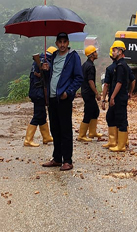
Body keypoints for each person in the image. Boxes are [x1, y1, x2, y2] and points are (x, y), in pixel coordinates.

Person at [39, 33, 83, 171]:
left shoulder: (73, 56)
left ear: (68, 42)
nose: (63, 44)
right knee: (55, 129)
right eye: (60, 42)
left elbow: (78, 78)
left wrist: (68, 92)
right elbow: (50, 77)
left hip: (63, 98)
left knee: (65, 130)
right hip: (52, 98)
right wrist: (45, 70)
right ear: (56, 43)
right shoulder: (53, 57)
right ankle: (57, 158)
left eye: (65, 42)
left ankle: (67, 160)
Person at [23, 47, 56, 147]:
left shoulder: (40, 61)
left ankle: (46, 137)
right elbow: (47, 69)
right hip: (39, 93)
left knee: (42, 115)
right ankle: (28, 140)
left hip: (37, 92)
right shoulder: (44, 61)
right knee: (37, 115)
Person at [107, 40, 136, 152]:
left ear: (120, 51)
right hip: (122, 96)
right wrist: (130, 92)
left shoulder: (120, 66)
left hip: (119, 97)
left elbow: (119, 83)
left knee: (121, 120)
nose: (113, 52)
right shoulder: (123, 65)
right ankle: (119, 142)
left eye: (114, 50)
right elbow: (133, 80)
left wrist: (112, 97)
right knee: (117, 118)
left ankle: (121, 146)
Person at [76, 45, 100, 142]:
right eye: (95, 52)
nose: (96, 53)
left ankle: (92, 132)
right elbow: (91, 81)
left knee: (95, 111)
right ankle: (81, 135)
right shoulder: (90, 66)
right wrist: (97, 93)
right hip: (88, 93)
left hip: (85, 92)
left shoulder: (85, 65)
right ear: (91, 55)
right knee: (89, 113)